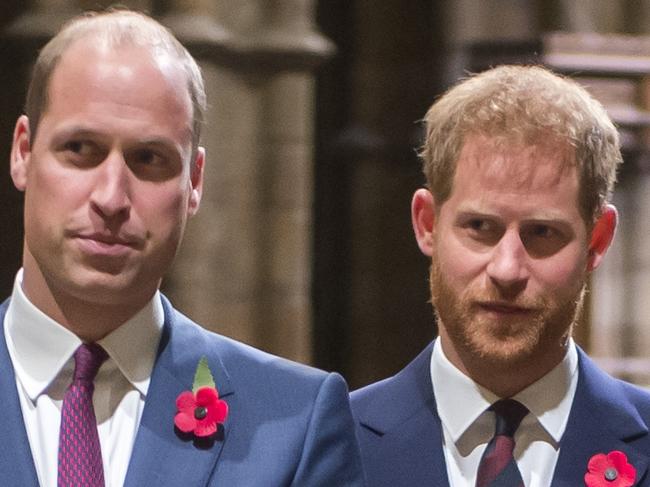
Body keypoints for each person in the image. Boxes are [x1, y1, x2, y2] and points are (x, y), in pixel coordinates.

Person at [2, 9, 364, 487]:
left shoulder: (295, 423)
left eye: (148, 159)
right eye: (80, 149)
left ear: (194, 182)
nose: (111, 198)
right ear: (23, 152)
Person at [351, 65, 650, 486]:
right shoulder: (333, 445)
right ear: (427, 224)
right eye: (479, 228)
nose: (507, 269)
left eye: (542, 232)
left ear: (597, 241)